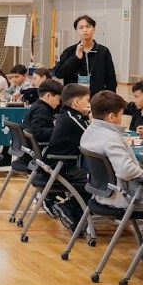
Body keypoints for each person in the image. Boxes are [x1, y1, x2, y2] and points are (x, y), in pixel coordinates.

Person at [80, 90, 143, 210]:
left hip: (100, 192)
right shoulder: (111, 139)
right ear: (111, 117)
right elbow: (126, 171)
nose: (121, 118)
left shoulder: (88, 132)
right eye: (121, 115)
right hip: (124, 196)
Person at [43, 83, 92, 231]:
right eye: (87, 101)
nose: (89, 104)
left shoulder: (67, 114)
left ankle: (74, 211)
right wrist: (93, 119)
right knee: (96, 181)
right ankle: (69, 208)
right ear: (77, 102)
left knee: (96, 177)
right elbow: (93, 136)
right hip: (60, 167)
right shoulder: (72, 118)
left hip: (59, 164)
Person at [53, 15, 117, 95]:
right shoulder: (69, 51)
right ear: (76, 31)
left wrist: (111, 97)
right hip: (74, 97)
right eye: (81, 27)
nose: (85, 30)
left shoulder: (103, 51)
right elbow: (59, 73)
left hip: (96, 97)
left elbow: (111, 78)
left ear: (94, 29)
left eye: (88, 26)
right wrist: (75, 58)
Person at [22, 79, 63, 148]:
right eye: (58, 99)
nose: (59, 103)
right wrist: (60, 131)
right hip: (40, 148)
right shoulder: (41, 110)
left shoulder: (37, 106)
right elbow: (39, 132)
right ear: (48, 95)